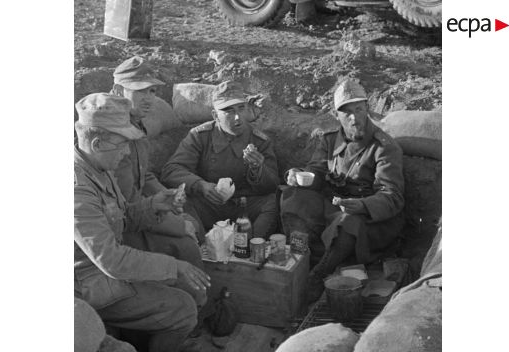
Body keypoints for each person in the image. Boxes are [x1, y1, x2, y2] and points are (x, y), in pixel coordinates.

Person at [74, 93, 211, 352]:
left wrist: (153, 206)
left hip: (106, 271)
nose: (126, 151)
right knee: (182, 308)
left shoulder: (97, 166)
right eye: (122, 144)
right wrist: (173, 266)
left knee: (185, 289)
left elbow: (122, 217)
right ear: (97, 143)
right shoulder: (76, 188)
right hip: (88, 286)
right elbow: (110, 259)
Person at [280, 78, 405, 301]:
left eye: (359, 109)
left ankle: (320, 272)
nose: (354, 118)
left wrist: (364, 205)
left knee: (349, 221)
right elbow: (316, 172)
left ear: (367, 108)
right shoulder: (329, 141)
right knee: (293, 195)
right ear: (336, 115)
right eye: (346, 112)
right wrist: (299, 176)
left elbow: (392, 196)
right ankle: (300, 257)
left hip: (369, 220)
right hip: (335, 208)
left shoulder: (384, 147)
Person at [109, 56, 208, 321]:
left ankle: (193, 313)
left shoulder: (136, 124)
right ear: (119, 91)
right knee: (185, 244)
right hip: (118, 230)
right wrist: (176, 225)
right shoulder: (112, 132)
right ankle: (189, 317)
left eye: (152, 90)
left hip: (139, 211)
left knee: (190, 216)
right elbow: (127, 207)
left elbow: (145, 175)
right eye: (140, 90)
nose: (149, 98)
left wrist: (169, 195)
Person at [161, 80, 279, 239]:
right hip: (208, 205)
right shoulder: (199, 136)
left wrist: (258, 169)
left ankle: (251, 249)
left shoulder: (260, 141)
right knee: (181, 200)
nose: (237, 117)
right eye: (228, 111)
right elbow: (171, 171)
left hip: (244, 207)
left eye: (241, 108)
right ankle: (200, 246)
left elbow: (272, 185)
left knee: (271, 203)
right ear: (215, 115)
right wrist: (201, 185)